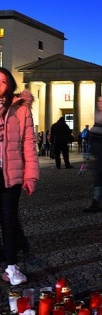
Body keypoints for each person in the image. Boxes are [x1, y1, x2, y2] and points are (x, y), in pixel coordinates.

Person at [0, 68, 39, 285]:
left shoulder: (20, 109)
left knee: (9, 219)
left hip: (10, 174)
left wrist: (31, 176)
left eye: (3, 81)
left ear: (10, 85)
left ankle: (11, 266)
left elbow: (28, 143)